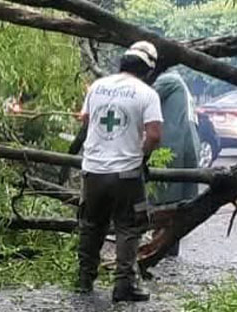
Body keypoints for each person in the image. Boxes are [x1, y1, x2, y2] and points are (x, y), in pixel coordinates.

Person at [76, 41, 163, 302]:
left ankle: (83, 279)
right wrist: (142, 153)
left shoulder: (98, 86)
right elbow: (155, 135)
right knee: (128, 227)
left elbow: (86, 119)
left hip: (92, 170)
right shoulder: (146, 94)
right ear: (148, 70)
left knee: (91, 224)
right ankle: (124, 285)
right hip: (126, 172)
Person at [149, 71, 201, 257]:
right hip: (185, 145)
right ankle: (166, 248)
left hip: (174, 147)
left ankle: (160, 249)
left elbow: (143, 98)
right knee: (177, 201)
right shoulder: (179, 82)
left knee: (166, 200)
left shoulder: (167, 80)